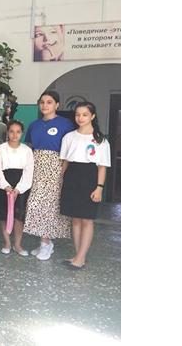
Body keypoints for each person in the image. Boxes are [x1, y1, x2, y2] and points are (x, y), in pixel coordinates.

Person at [23, 90, 75, 260]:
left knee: (50, 207)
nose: (45, 105)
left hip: (55, 167)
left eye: (49, 102)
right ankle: (44, 242)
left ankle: (46, 243)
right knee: (35, 204)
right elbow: (29, 147)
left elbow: (69, 150)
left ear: (57, 105)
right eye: (42, 102)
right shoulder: (34, 125)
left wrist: (62, 172)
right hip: (37, 166)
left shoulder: (66, 124)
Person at [59, 102, 111, 270]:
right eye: (77, 114)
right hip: (72, 177)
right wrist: (61, 181)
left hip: (90, 178)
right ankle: (77, 255)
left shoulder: (100, 140)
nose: (80, 118)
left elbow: (102, 166)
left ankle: (81, 258)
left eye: (84, 114)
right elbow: (65, 162)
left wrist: (99, 187)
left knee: (87, 220)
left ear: (92, 116)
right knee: (75, 219)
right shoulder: (69, 137)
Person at [0, 120, 34, 256]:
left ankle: (17, 244)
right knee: (4, 215)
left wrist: (18, 189)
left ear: (22, 133)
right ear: (7, 133)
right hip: (4, 185)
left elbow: (28, 172)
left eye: (18, 132)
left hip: (21, 186)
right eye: (12, 132)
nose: (14, 135)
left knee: (18, 217)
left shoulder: (27, 151)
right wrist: (6, 187)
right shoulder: (0, 149)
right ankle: (7, 243)